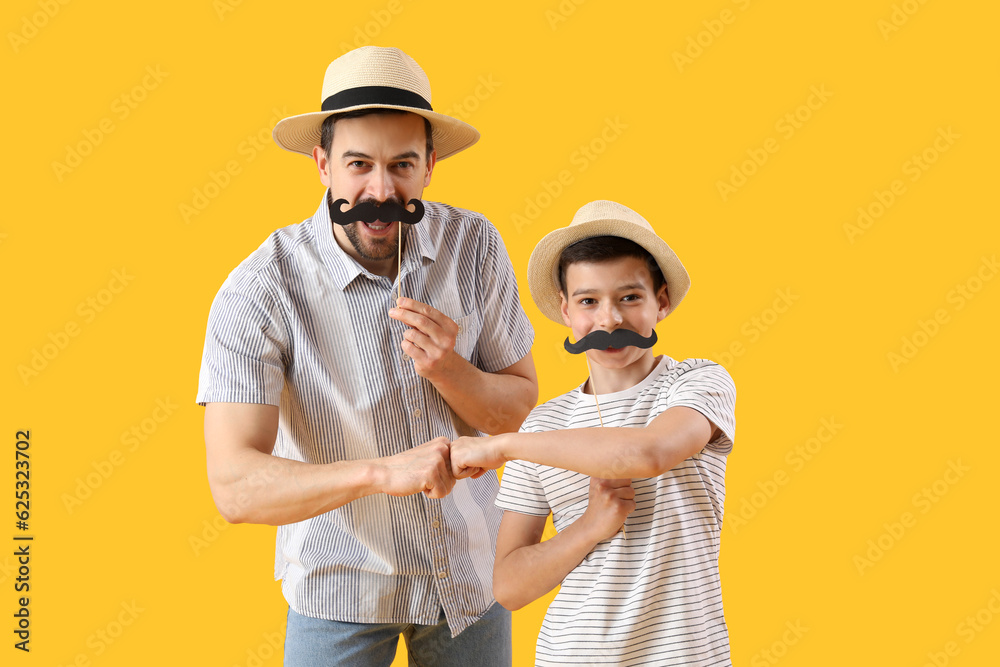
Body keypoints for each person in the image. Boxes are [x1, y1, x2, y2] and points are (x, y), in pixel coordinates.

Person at [196, 46, 537, 666]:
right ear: (322, 164)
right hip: (338, 590)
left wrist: (451, 371)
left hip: (470, 586)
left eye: (402, 164)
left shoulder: (476, 246)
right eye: (359, 164)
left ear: (430, 165)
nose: (380, 191)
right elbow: (235, 487)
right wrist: (381, 472)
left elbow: (517, 415)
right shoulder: (260, 289)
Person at [450, 200, 737, 666]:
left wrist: (500, 444)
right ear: (566, 310)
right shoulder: (544, 426)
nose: (609, 321)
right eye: (588, 301)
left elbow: (650, 453)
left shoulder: (698, 383)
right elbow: (509, 587)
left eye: (629, 297)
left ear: (660, 302)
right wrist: (588, 528)